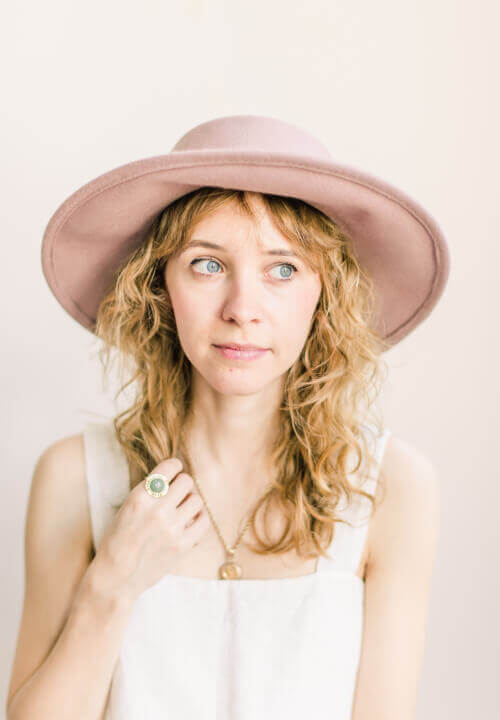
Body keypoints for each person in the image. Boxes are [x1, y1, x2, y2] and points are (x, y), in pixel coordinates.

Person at [6, 114, 449, 720]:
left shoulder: (394, 487)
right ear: (159, 286)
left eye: (283, 269)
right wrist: (111, 583)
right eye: (208, 264)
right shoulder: (71, 476)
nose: (243, 309)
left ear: (325, 295)